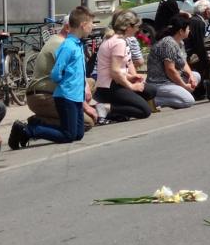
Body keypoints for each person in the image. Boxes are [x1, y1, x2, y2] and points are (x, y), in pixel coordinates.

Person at [9, 8, 94, 149]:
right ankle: (29, 130)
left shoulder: (77, 44)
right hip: (66, 96)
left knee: (78, 134)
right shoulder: (67, 46)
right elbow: (56, 73)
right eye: (91, 23)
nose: (93, 27)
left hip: (76, 97)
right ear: (83, 25)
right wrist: (66, 85)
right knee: (68, 135)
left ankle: (36, 127)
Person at [25, 10, 99, 131]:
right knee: (86, 123)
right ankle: (37, 123)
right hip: (43, 96)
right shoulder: (63, 45)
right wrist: (85, 106)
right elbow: (65, 80)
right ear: (68, 27)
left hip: (52, 91)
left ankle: (72, 113)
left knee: (90, 82)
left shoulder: (69, 42)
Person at [92, 9, 152, 121]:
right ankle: (105, 108)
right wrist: (131, 86)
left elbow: (117, 69)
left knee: (150, 90)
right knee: (145, 111)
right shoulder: (119, 42)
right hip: (108, 87)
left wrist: (131, 77)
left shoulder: (115, 38)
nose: (138, 30)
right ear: (128, 27)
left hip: (110, 84)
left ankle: (122, 109)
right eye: (136, 27)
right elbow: (115, 72)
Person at [145, 14, 200, 109]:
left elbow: (183, 62)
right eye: (188, 29)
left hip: (172, 79)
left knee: (196, 76)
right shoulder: (168, 43)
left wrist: (190, 75)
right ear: (181, 31)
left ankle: (179, 94)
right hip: (160, 83)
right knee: (188, 101)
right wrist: (184, 86)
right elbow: (170, 70)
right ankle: (153, 100)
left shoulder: (180, 42)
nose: (189, 31)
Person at [186, 0, 210, 97]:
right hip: (191, 54)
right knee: (206, 62)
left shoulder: (193, 19)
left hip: (188, 52)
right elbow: (200, 44)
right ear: (206, 11)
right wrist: (205, 58)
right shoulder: (199, 22)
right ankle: (200, 90)